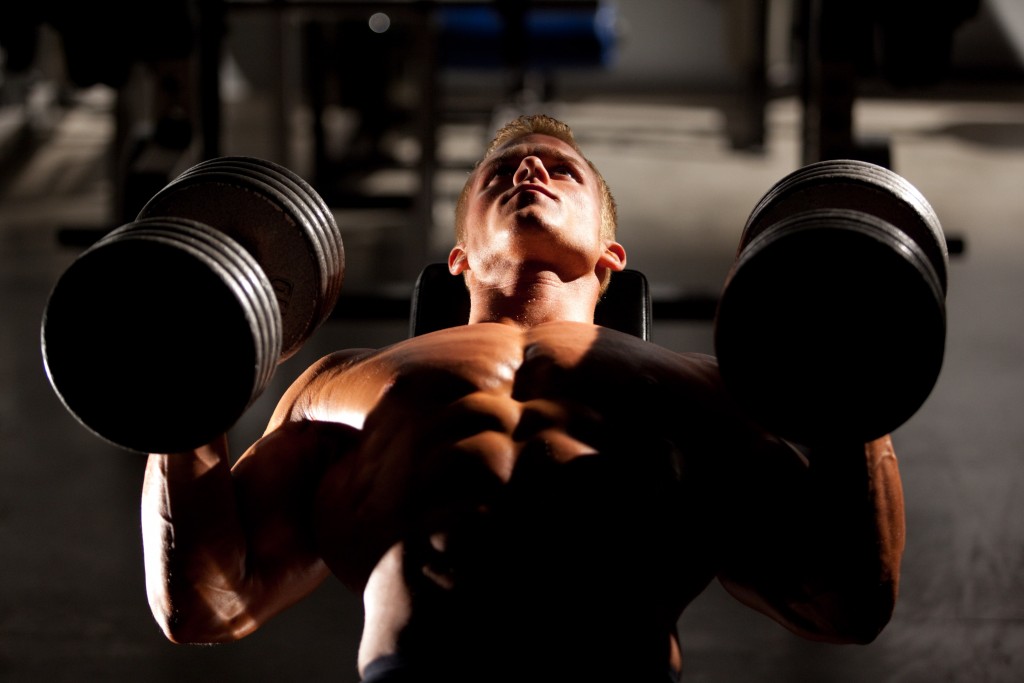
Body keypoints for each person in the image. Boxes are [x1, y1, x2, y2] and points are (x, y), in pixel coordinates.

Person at [140, 114, 905, 682]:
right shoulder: (340, 380)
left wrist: (852, 376)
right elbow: (208, 599)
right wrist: (179, 385)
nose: (530, 171)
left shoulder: (704, 388)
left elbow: (843, 601)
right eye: (501, 173)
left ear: (611, 258)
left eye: (559, 170)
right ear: (458, 256)